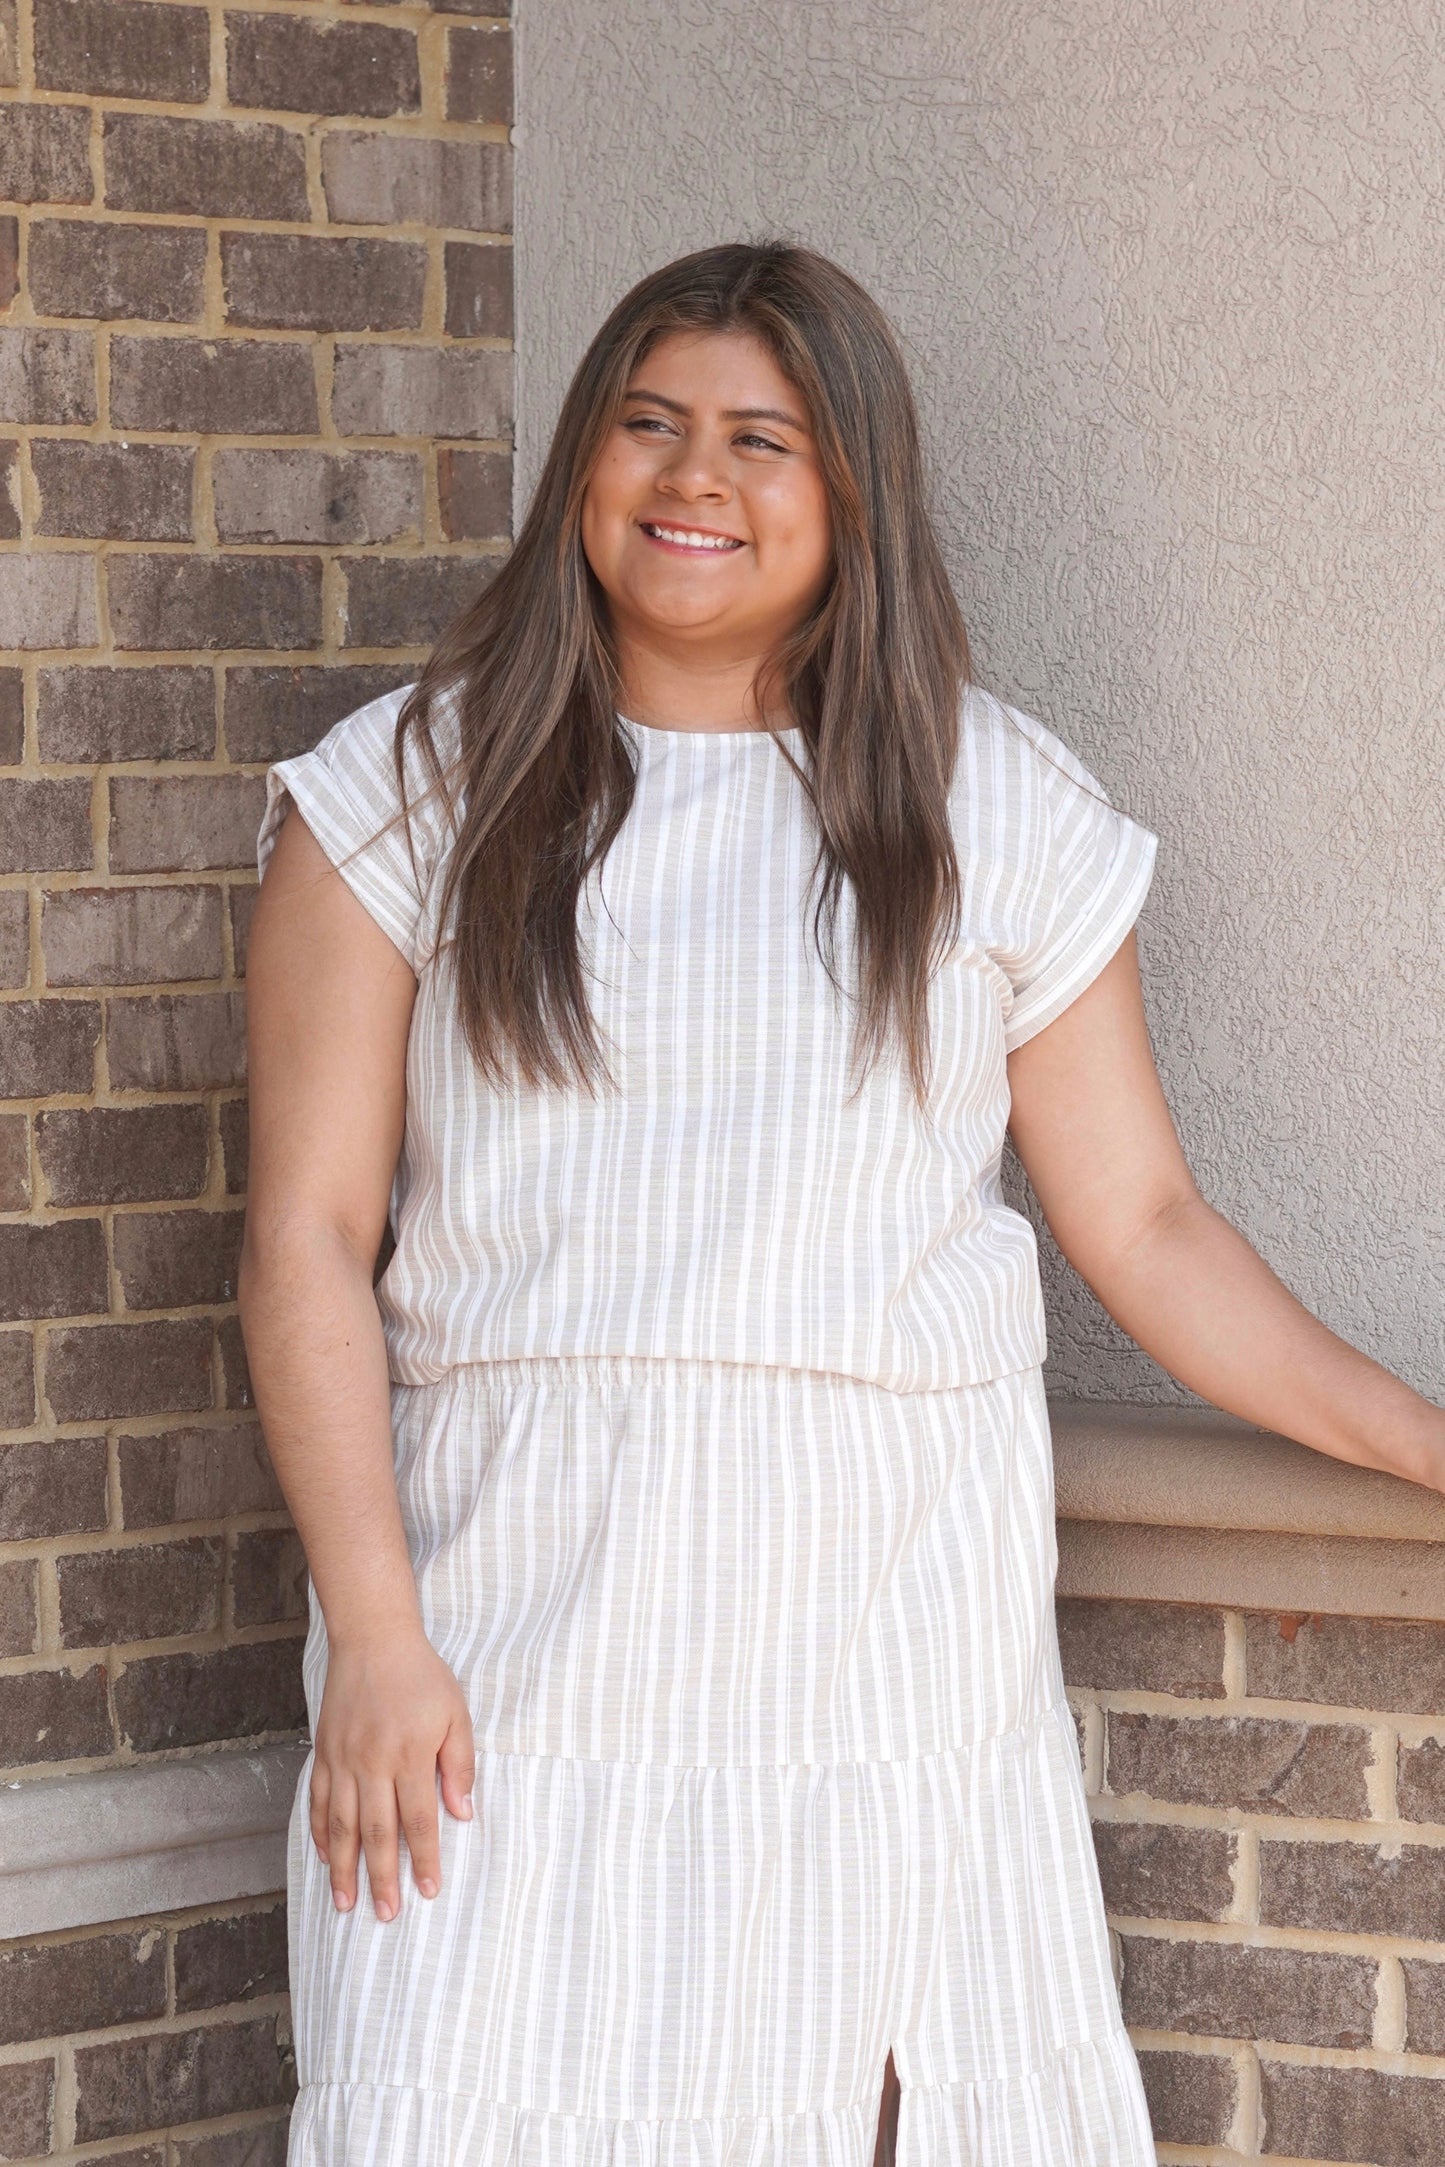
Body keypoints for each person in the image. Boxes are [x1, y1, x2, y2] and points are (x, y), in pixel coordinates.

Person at [241, 241, 1445, 2167]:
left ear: (853, 496)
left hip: (877, 1640)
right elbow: (307, 1239)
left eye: (758, 439)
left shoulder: (993, 806)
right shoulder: (403, 791)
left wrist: (1419, 1443)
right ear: (581, 467)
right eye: (646, 426)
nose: (690, 479)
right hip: (510, 1637)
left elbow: (1142, 1229)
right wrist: (375, 1635)